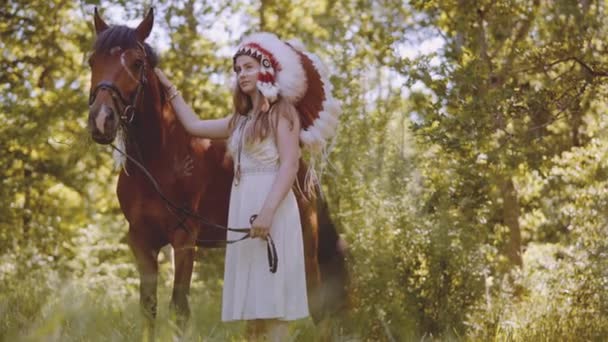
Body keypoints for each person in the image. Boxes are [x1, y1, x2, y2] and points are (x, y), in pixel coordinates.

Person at [155, 32, 341, 341]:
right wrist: (169, 89)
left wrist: (267, 213)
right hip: (243, 206)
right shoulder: (239, 121)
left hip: (272, 207)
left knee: (273, 302)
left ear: (265, 69)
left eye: (248, 67)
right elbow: (194, 126)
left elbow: (290, 165)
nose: (242, 74)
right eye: (238, 69)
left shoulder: (284, 113)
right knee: (254, 306)